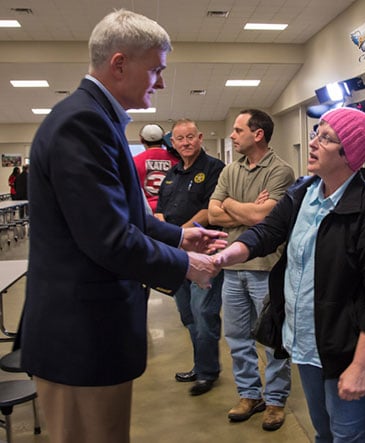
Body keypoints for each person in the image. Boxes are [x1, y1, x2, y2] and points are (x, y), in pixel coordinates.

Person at [19, 10, 226, 443]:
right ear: (119, 64)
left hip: (91, 333)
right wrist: (186, 264)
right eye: (156, 70)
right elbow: (109, 239)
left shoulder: (97, 118)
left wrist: (179, 235)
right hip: (81, 339)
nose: (161, 83)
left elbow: (123, 215)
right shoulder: (83, 122)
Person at [212, 106, 365, 442]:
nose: (313, 143)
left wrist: (360, 366)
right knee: (324, 433)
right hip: (307, 343)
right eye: (317, 133)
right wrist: (225, 256)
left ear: (350, 155)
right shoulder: (303, 192)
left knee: (349, 437)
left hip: (349, 350)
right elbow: (266, 232)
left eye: (326, 138)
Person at [208, 108, 295, 431]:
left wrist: (231, 204)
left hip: (265, 268)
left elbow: (265, 220)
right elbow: (212, 214)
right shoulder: (231, 170)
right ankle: (249, 394)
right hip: (233, 269)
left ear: (257, 134)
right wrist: (245, 209)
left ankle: (275, 400)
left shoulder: (281, 171)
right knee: (236, 337)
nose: (232, 135)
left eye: (238, 130)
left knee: (272, 339)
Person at [156, 118, 225, 396]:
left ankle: (208, 373)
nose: (185, 143)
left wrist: (175, 234)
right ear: (173, 143)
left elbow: (209, 212)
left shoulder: (213, 169)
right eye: (179, 139)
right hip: (176, 257)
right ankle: (201, 365)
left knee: (204, 312)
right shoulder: (171, 174)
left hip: (204, 253)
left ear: (199, 138)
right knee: (187, 314)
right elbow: (159, 211)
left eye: (190, 137)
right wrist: (166, 234)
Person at [134, 123, 179, 212]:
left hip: (146, 211)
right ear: (164, 139)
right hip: (171, 210)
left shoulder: (134, 161)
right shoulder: (177, 161)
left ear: (141, 140)